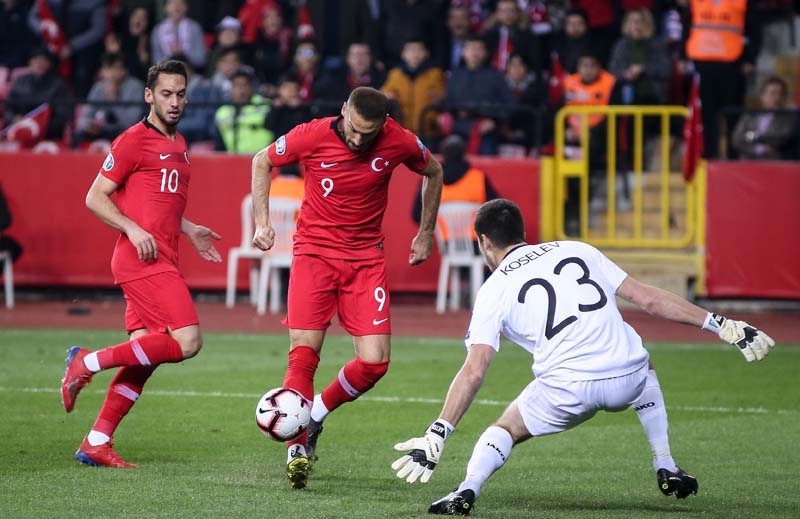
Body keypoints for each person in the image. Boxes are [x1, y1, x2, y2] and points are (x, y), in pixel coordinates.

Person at [391, 198, 775, 516]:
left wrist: (439, 429)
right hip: (627, 378)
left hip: (567, 390)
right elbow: (648, 298)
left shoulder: (493, 290)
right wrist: (720, 324)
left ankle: (467, 490)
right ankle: (665, 464)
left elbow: (475, 369)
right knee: (639, 353)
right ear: (523, 233)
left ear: (484, 241)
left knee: (505, 429)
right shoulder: (577, 249)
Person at [251, 86, 444, 489]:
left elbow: (434, 171)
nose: (358, 140)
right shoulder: (312, 134)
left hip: (365, 259)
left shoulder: (399, 140)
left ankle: (315, 413)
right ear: (343, 111)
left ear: (384, 125)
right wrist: (262, 222)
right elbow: (262, 160)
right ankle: (297, 450)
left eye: (368, 135)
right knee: (303, 356)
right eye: (354, 130)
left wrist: (426, 233)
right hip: (313, 256)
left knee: (375, 362)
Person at [60, 59, 223, 468]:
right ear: (149, 95)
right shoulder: (133, 140)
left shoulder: (181, 144)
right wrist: (132, 230)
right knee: (188, 342)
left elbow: (159, 203)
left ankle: (96, 441)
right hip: (141, 260)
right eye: (166, 94)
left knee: (143, 357)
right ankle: (86, 361)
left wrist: (189, 228)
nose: (175, 102)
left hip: (164, 253)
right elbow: (95, 197)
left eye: (181, 94)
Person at [76, 52, 146, 145]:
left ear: (124, 70)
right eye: (107, 68)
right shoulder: (99, 87)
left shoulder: (136, 87)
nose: (111, 73)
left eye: (115, 68)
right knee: (79, 136)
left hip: (127, 132)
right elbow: (84, 117)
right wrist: (89, 125)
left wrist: (113, 100)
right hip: (103, 130)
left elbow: (131, 123)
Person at [731, 76, 798, 160]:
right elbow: (737, 140)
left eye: (781, 94)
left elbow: (780, 138)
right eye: (773, 93)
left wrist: (751, 136)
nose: (777, 98)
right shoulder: (750, 115)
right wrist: (759, 149)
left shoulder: (789, 118)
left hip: (775, 163)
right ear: (762, 96)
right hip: (747, 162)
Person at [214, 65, 273, 154]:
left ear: (252, 87)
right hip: (233, 161)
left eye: (245, 85)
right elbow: (220, 144)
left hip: (261, 159)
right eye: (237, 85)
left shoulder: (265, 105)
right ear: (230, 89)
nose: (241, 90)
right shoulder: (222, 112)